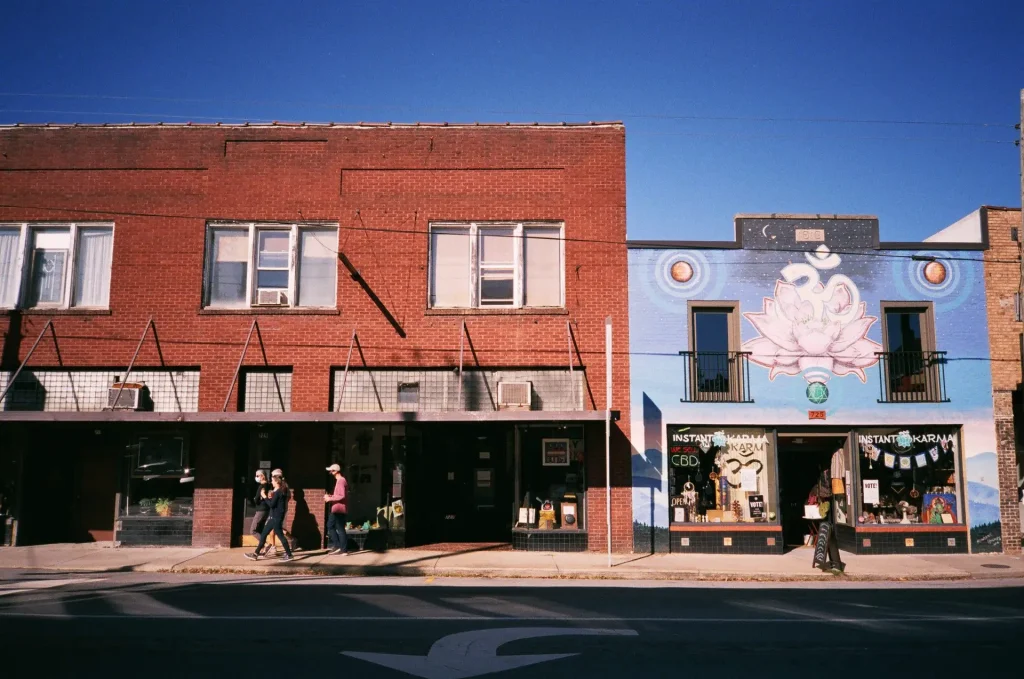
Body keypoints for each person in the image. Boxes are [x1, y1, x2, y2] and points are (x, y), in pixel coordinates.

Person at [246, 471, 294, 561]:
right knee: (264, 534)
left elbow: (271, 505)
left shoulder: (279, 492)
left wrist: (264, 496)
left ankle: (289, 554)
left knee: (280, 535)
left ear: (277, 482)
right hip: (273, 517)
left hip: (276, 518)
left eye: (272, 481)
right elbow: (273, 503)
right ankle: (255, 554)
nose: (271, 482)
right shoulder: (276, 491)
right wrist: (269, 497)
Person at [324, 463, 349, 556]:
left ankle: (341, 548)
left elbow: (342, 495)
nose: (330, 472)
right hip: (337, 508)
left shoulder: (341, 480)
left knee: (335, 527)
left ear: (335, 471)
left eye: (331, 470)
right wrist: (330, 496)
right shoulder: (340, 481)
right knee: (334, 526)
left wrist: (330, 498)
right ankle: (340, 547)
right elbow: (339, 495)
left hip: (338, 508)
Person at [250, 469, 271, 554]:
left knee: (253, 530)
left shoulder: (262, 486)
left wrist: (255, 499)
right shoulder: (268, 485)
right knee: (261, 530)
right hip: (265, 510)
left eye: (258, 476)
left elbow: (257, 499)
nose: (256, 477)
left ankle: (265, 545)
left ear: (262, 476)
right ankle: (262, 549)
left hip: (261, 510)